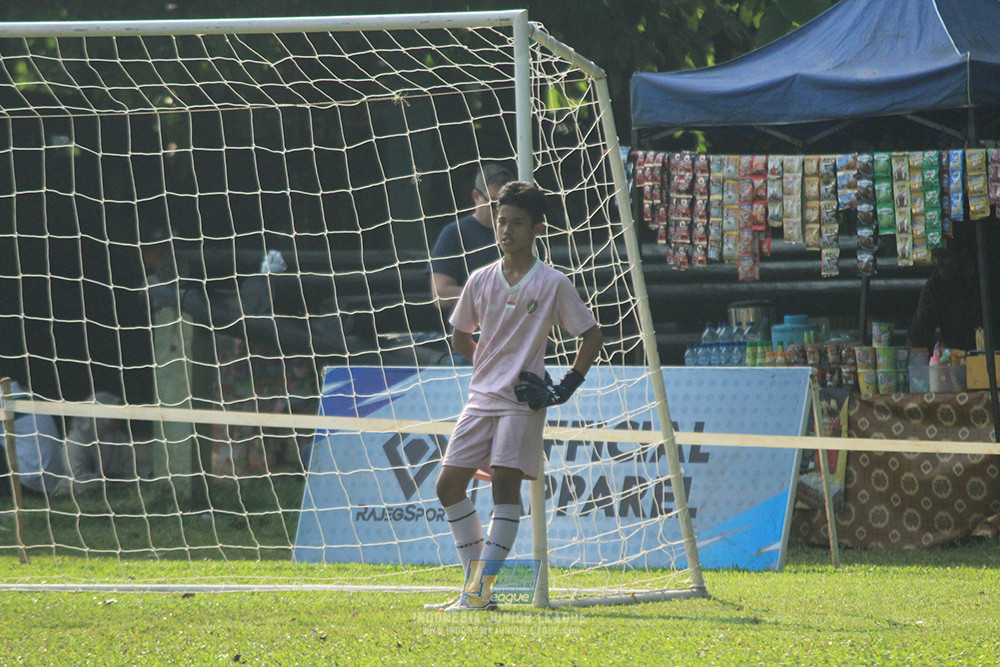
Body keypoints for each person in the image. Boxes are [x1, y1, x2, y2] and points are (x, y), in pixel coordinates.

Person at [434, 181, 604, 611]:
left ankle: (478, 595)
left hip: (520, 403)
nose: (506, 230)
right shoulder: (479, 279)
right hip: (480, 398)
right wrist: (489, 368)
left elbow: (592, 334)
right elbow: (460, 336)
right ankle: (477, 589)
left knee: (504, 490)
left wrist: (564, 387)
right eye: (502, 221)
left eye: (517, 224)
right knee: (447, 486)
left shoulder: (552, 283)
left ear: (537, 230)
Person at [428, 163, 516, 316]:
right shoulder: (454, 233)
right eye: (494, 204)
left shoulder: (523, 234)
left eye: (507, 204)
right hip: (472, 334)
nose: (500, 211)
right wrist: (492, 297)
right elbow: (440, 294)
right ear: (476, 197)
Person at [907, 231, 1000, 352]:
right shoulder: (935, 287)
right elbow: (917, 337)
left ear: (963, 252)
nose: (938, 262)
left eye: (944, 255)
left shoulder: (990, 277)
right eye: (935, 256)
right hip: (957, 362)